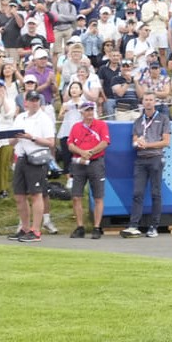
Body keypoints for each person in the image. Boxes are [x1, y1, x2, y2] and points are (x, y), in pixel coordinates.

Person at [9, 89, 56, 243]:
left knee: (36, 194)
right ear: (26, 102)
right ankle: (25, 228)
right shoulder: (20, 117)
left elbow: (51, 142)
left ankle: (36, 230)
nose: (34, 103)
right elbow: (10, 141)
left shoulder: (44, 119)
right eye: (32, 100)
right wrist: (16, 138)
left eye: (37, 100)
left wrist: (32, 137)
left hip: (36, 159)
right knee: (19, 195)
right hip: (21, 157)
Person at [124, 91, 170, 238]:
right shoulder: (138, 121)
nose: (148, 102)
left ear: (155, 102)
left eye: (151, 100)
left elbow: (166, 142)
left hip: (156, 158)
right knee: (137, 193)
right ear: (142, 102)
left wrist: (148, 145)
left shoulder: (163, 119)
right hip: (140, 160)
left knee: (156, 193)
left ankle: (154, 226)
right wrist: (138, 143)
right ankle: (133, 225)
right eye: (146, 100)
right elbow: (134, 141)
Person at [67, 99, 110, 238]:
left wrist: (90, 152)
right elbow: (70, 144)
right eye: (87, 110)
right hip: (79, 163)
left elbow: (104, 142)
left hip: (96, 162)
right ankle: (80, 227)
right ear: (81, 112)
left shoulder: (101, 125)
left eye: (91, 109)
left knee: (98, 196)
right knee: (76, 196)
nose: (89, 112)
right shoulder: (76, 127)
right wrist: (82, 153)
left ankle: (97, 227)